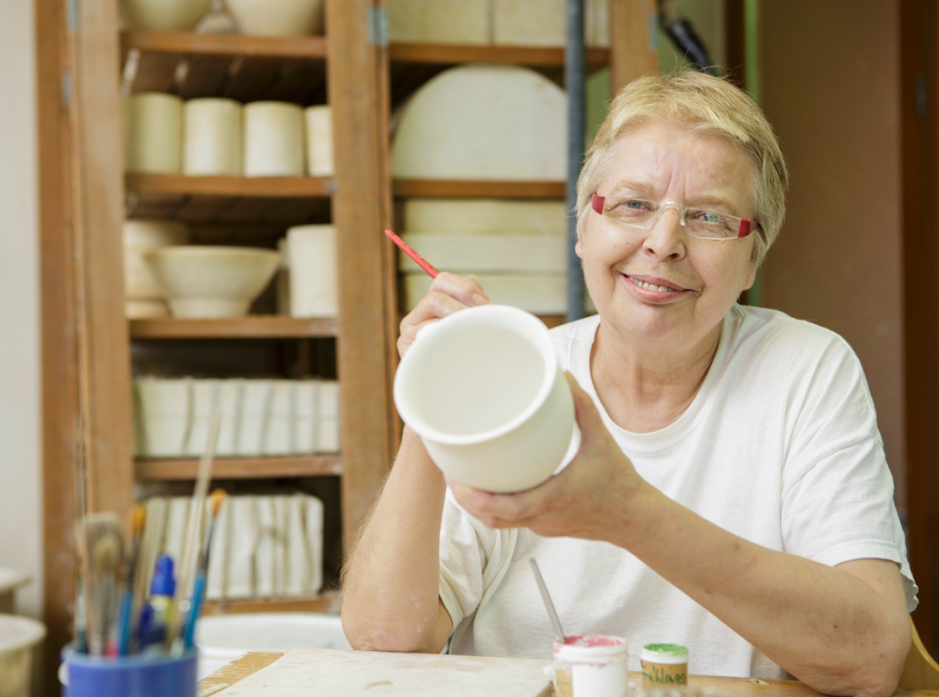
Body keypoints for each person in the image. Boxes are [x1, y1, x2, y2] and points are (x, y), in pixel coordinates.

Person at [340, 70, 917, 696]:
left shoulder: (805, 369)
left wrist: (626, 512)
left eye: (711, 219)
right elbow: (384, 640)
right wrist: (438, 391)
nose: (663, 243)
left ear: (754, 257)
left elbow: (871, 660)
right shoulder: (516, 378)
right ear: (584, 230)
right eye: (633, 205)